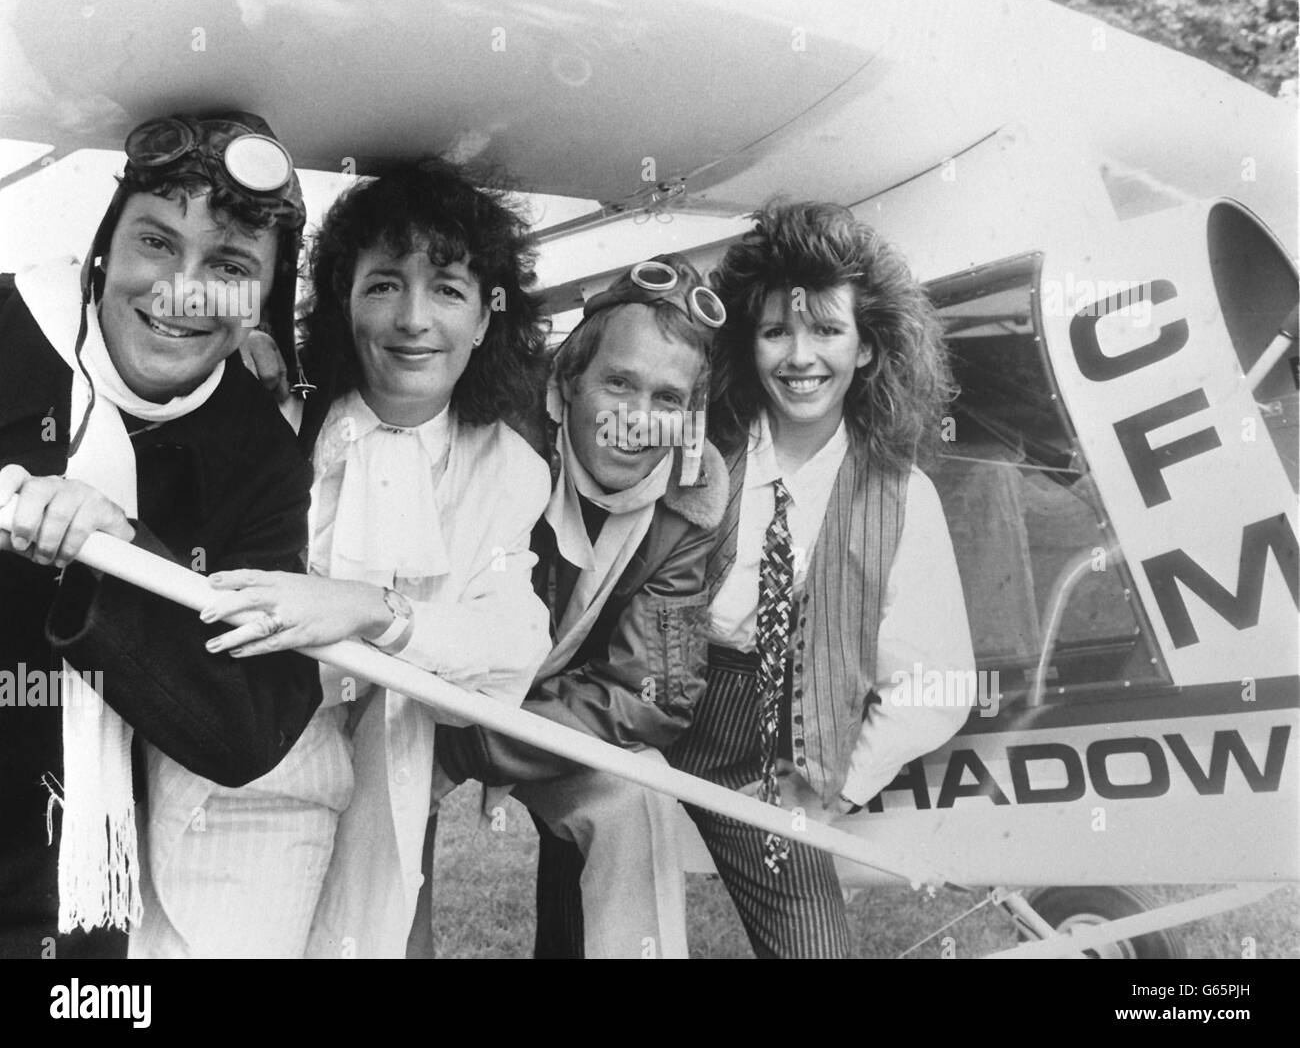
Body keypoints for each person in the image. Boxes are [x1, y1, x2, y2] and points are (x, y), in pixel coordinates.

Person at [132, 162, 553, 959]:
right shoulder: (278, 414)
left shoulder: (509, 469)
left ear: (489, 318)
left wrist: (370, 611)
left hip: (384, 779)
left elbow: (506, 655)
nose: (413, 320)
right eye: (384, 284)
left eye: (450, 290)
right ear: (344, 298)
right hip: (249, 779)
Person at [537, 200, 976, 958]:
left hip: (768, 753)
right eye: (777, 331)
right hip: (644, 709)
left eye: (828, 331)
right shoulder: (697, 443)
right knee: (585, 911)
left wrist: (836, 784)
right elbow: (586, 434)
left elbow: (939, 682)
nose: (800, 357)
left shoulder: (899, 498)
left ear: (869, 347)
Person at [0, 111, 322, 958]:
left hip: (81, 888)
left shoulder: (260, 455)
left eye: (227, 266)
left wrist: (121, 554)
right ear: (105, 246)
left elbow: (248, 730)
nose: (181, 291)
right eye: (156, 242)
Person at [433, 253, 728, 959]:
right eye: (619, 383)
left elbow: (651, 695)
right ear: (566, 383)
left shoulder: (694, 497)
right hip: (421, 684)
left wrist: (485, 743)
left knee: (639, 791)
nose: (637, 421)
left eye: (667, 400)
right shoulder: (496, 431)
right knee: (381, 878)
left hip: (540, 713)